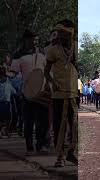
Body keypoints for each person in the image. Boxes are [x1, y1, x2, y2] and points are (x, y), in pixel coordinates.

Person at [44, 19, 77, 167]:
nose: (64, 37)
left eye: (67, 34)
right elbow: (46, 72)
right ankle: (59, 156)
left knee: (75, 124)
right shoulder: (53, 50)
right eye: (61, 34)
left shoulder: (76, 47)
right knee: (59, 126)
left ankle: (71, 152)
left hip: (73, 94)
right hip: (59, 94)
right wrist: (52, 82)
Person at [11, 29, 49, 154]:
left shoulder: (43, 53)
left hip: (42, 92)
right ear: (26, 40)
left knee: (43, 120)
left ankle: (41, 144)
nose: (35, 42)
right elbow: (13, 72)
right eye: (33, 40)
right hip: (27, 93)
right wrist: (6, 74)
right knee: (28, 120)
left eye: (37, 40)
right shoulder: (18, 55)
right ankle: (29, 145)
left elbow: (47, 71)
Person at [0, 68, 16, 138]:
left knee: (8, 119)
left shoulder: (9, 84)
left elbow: (14, 92)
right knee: (0, 119)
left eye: (5, 76)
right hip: (0, 103)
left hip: (7, 104)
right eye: (3, 76)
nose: (5, 77)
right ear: (0, 76)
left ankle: (6, 131)